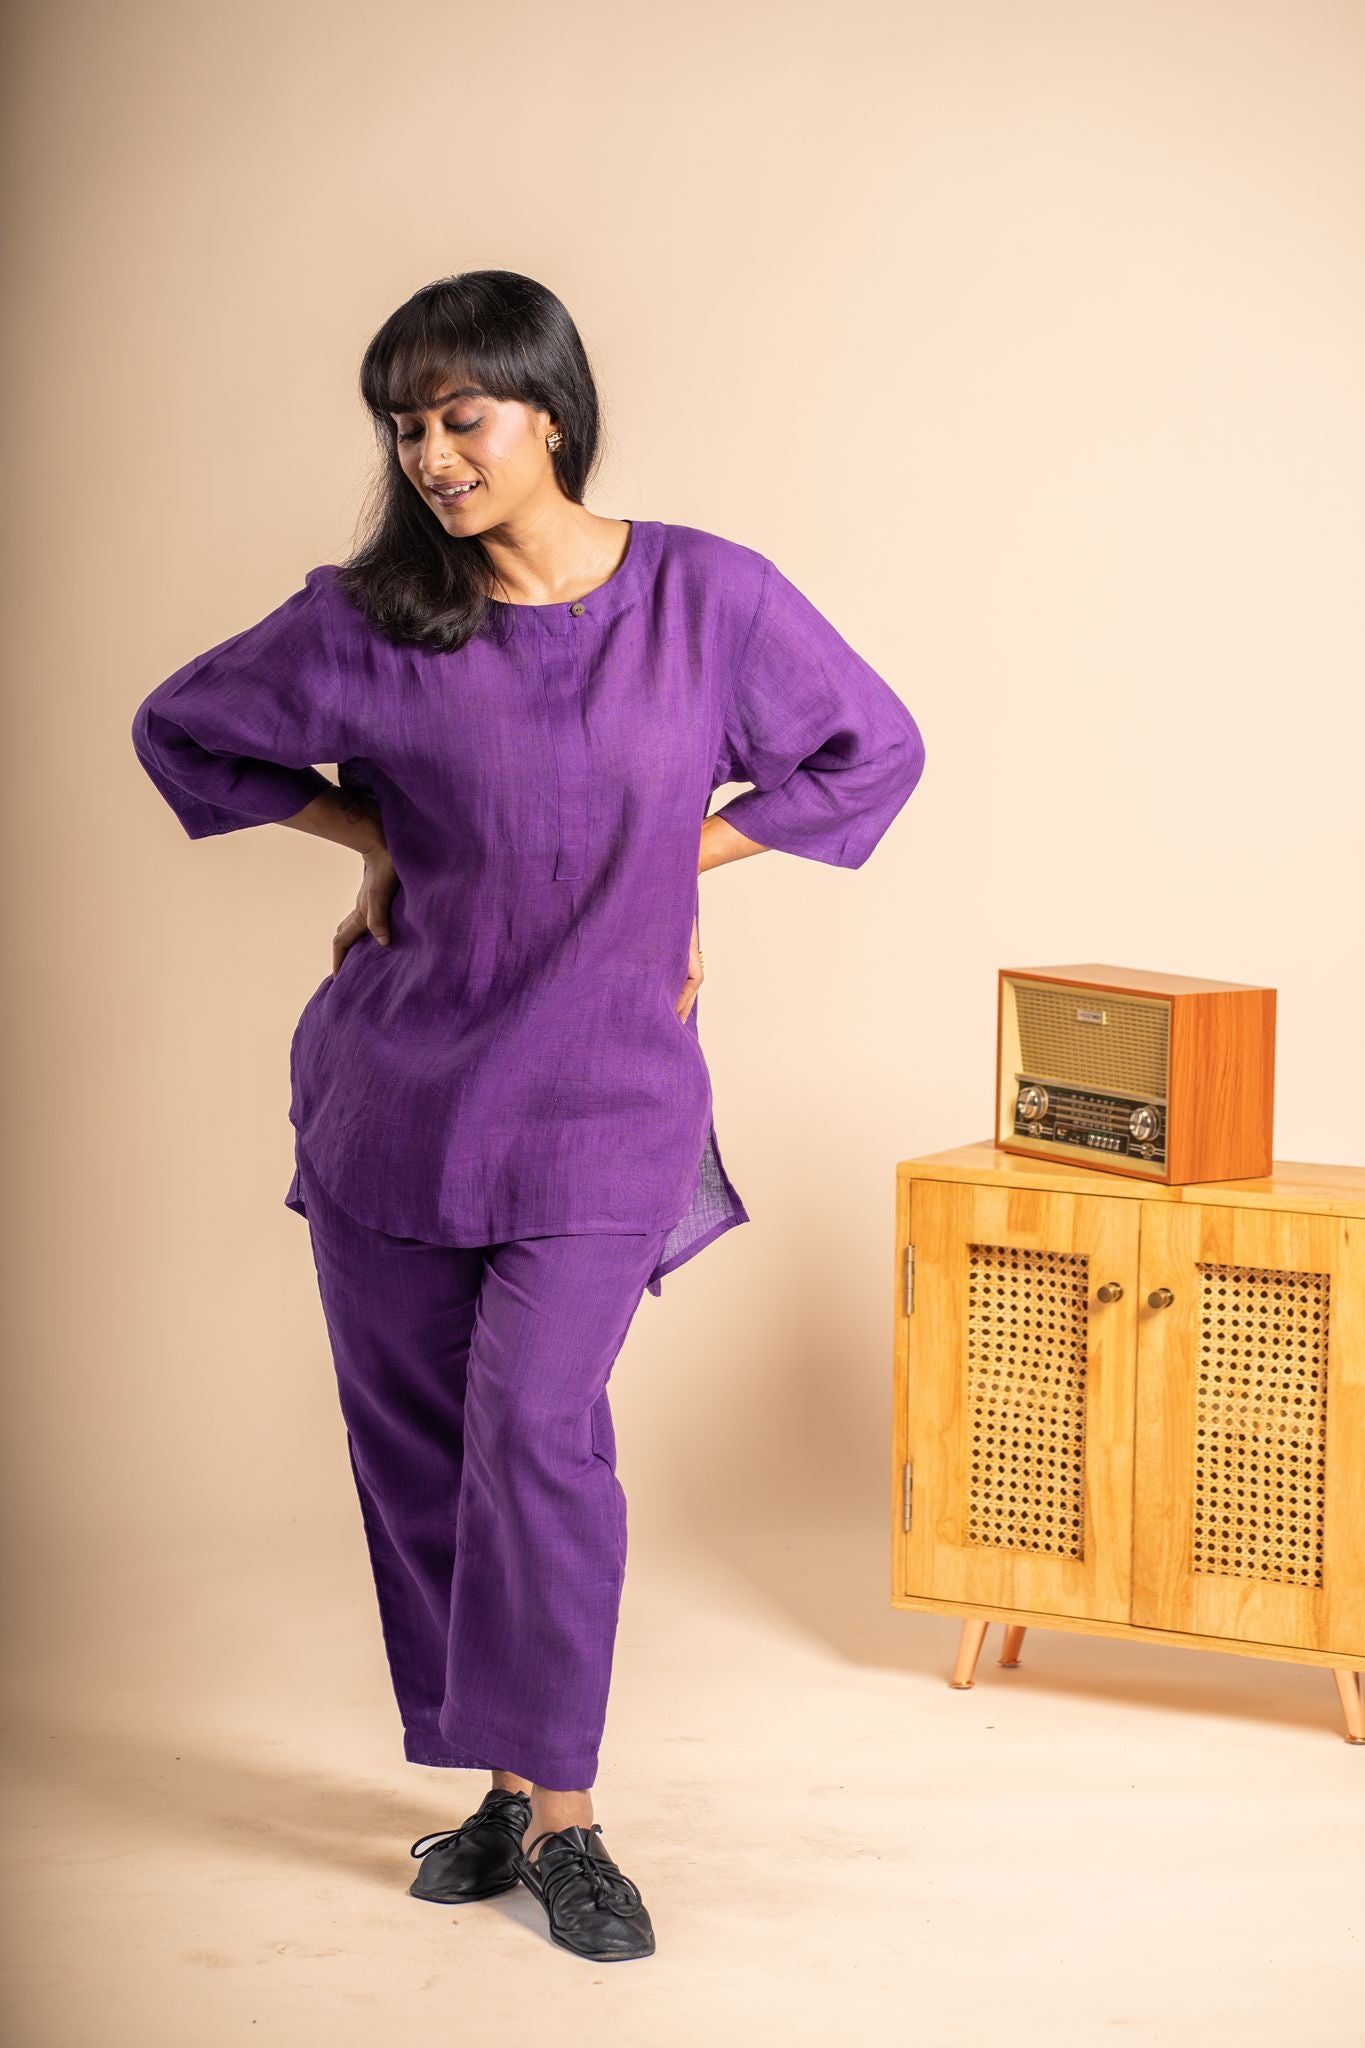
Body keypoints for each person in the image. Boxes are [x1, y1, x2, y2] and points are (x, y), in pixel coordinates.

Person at [129, 268, 927, 1964]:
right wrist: (372, 839)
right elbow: (183, 731)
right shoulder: (371, 618)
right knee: (422, 1452)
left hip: (602, 1104)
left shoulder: (708, 597)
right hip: (398, 1101)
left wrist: (677, 864)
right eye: (402, 427)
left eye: (459, 417)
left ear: (547, 411)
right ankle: (499, 1789)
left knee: (537, 1434)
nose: (428, 455)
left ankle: (566, 1822)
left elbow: (869, 751)